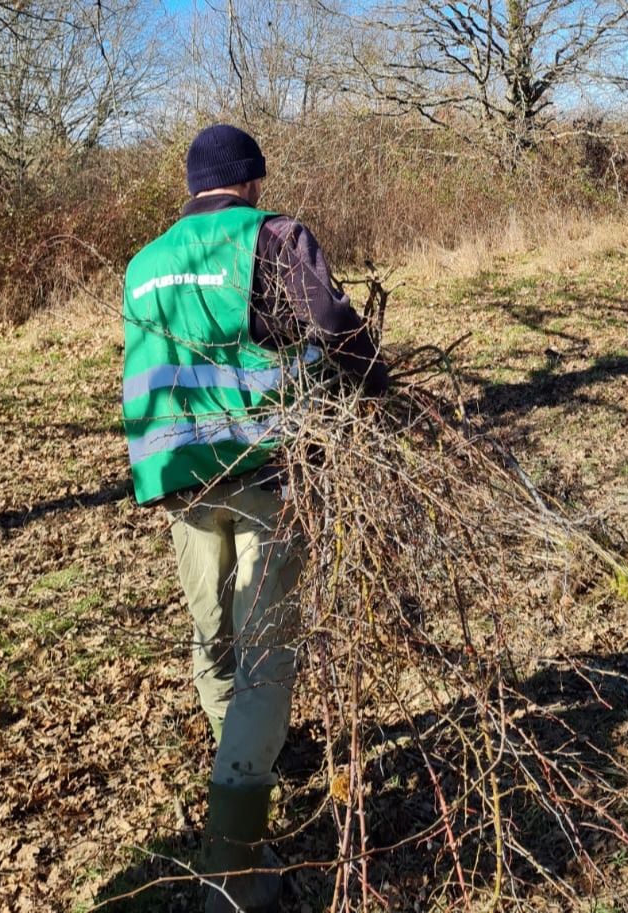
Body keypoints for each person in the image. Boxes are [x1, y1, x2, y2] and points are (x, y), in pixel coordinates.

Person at [121, 124, 387, 913]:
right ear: (251, 181)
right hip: (268, 470)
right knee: (268, 654)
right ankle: (231, 870)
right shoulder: (271, 237)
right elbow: (336, 331)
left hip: (181, 481)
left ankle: (241, 775)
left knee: (218, 641)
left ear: (193, 185)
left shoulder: (144, 265)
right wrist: (377, 391)